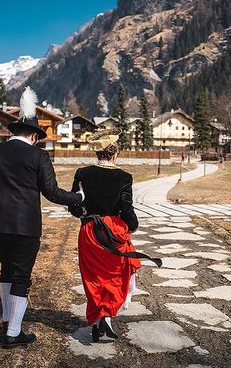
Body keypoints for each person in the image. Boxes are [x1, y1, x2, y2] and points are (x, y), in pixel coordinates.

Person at [0, 87, 83, 349]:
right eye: (37, 138)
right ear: (33, 136)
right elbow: (52, 193)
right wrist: (79, 198)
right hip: (25, 228)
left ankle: (8, 321)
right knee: (21, 276)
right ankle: (13, 333)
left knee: (7, 269)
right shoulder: (38, 156)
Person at [68, 130, 161, 343]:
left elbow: (74, 206)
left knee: (93, 277)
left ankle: (98, 320)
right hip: (114, 231)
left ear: (97, 153)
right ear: (115, 153)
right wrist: (133, 226)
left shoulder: (82, 173)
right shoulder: (124, 177)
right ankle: (106, 318)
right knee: (114, 276)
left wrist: (83, 213)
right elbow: (127, 210)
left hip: (90, 230)